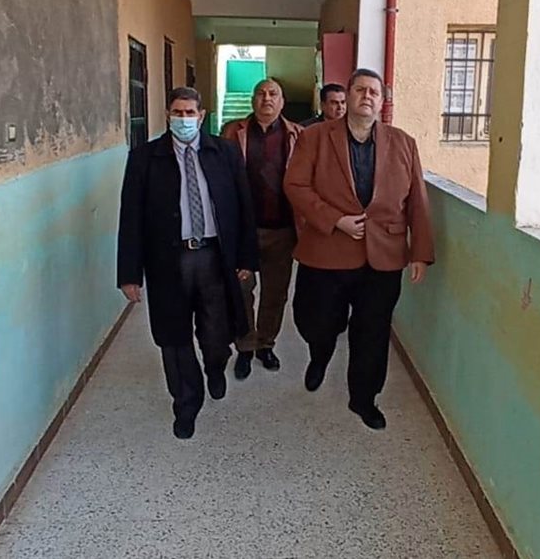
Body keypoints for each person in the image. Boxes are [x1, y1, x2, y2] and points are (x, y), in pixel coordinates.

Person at [283, 69, 434, 430]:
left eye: (374, 92)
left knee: (373, 332)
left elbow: (417, 199)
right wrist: (335, 220)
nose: (367, 96)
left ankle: (364, 399)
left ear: (382, 102)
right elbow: (295, 185)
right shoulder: (314, 138)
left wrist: (420, 251)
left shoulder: (404, 143)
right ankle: (320, 352)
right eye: (360, 90)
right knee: (315, 320)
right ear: (348, 96)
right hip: (327, 250)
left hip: (383, 256)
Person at [118, 87, 258, 439]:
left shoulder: (224, 153)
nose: (184, 119)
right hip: (168, 260)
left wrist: (246, 257)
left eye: (190, 113)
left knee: (216, 332)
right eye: (177, 113)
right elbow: (131, 218)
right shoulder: (145, 158)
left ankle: (215, 367)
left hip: (214, 257)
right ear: (168, 115)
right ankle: (185, 404)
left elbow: (244, 206)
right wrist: (129, 274)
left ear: (202, 115)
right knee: (174, 336)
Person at [220, 78, 305, 379]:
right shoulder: (233, 132)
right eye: (261, 93)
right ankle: (245, 346)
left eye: (273, 94)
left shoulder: (298, 135)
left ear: (282, 101)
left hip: (282, 230)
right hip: (243, 231)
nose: (266, 98)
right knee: (242, 291)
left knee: (275, 293)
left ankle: (266, 344)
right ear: (252, 99)